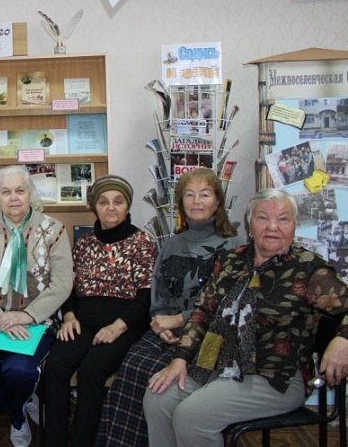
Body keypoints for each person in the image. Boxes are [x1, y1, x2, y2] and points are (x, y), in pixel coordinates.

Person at [143, 188, 348, 447]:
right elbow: (203, 312)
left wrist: (343, 341)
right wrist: (180, 359)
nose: (272, 226)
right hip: (216, 362)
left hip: (274, 376)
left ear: (294, 225)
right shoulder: (232, 260)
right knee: (157, 399)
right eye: (263, 218)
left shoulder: (309, 269)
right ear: (250, 225)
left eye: (283, 219)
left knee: (191, 417)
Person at [96, 169, 243, 446]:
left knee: (156, 378)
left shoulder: (235, 245)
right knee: (133, 365)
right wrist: (159, 320)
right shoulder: (173, 243)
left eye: (204, 194)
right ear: (181, 203)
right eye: (189, 195)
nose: (196, 201)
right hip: (167, 330)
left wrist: (179, 319)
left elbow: (230, 303)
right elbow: (158, 289)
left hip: (212, 337)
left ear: (217, 202)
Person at [0, 165, 74, 447]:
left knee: (19, 371)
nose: (13, 198)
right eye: (6, 192)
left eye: (20, 191)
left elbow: (62, 283)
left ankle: (16, 417)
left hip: (37, 322)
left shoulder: (54, 230)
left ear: (30, 194)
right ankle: (18, 406)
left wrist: (27, 315)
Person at [43, 174, 156, 447]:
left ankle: (82, 442)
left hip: (124, 323)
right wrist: (68, 316)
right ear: (95, 207)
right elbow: (67, 286)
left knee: (91, 370)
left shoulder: (143, 242)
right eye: (104, 202)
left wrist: (118, 326)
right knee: (55, 366)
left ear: (127, 206)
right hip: (82, 321)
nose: (111, 208)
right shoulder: (84, 243)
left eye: (118, 201)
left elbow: (147, 295)